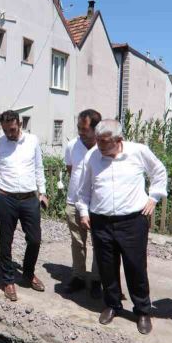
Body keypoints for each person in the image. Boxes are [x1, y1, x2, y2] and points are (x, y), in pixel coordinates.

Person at [76, 119, 167, 335]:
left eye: (104, 142)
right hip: (101, 221)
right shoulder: (93, 156)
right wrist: (83, 211)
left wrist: (153, 198)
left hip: (132, 221)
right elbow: (84, 187)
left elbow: (159, 172)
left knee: (135, 267)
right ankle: (112, 305)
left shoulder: (138, 152)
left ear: (119, 140)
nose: (99, 146)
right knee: (107, 267)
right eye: (97, 141)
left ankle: (142, 311)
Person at [0, 110, 48, 302]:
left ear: (19, 124)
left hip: (29, 199)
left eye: (11, 129)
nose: (8, 133)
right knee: (6, 240)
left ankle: (28, 273)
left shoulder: (33, 141)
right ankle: (8, 280)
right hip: (5, 198)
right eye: (5, 130)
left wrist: (42, 192)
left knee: (35, 239)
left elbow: (38, 167)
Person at [63, 109, 102, 297]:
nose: (80, 131)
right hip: (74, 202)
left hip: (98, 206)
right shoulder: (72, 146)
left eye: (84, 128)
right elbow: (71, 170)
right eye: (78, 127)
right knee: (77, 242)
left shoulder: (103, 147)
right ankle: (78, 276)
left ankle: (96, 279)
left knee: (99, 244)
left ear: (95, 129)